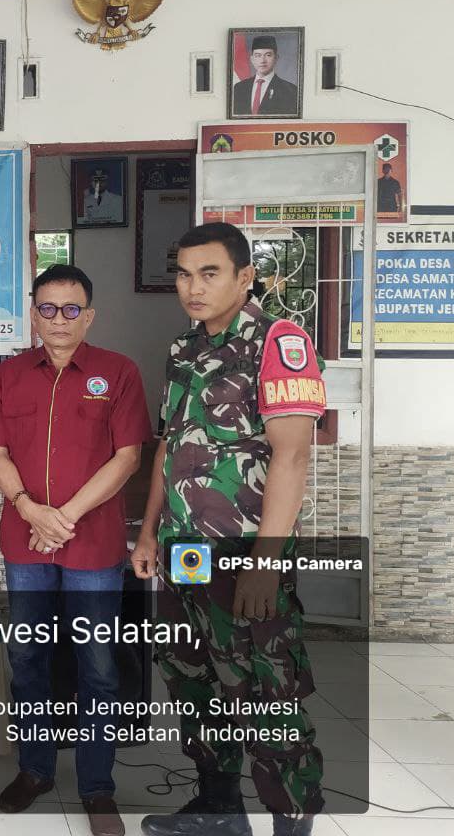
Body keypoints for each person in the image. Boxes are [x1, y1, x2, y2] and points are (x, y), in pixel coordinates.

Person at [131, 223, 326, 836]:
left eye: (209, 273)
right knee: (194, 682)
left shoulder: (277, 342)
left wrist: (266, 563)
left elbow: (292, 457)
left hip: (243, 554)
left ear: (245, 277)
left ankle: (291, 821)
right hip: (184, 554)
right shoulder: (183, 349)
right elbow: (169, 445)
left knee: (266, 694)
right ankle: (219, 810)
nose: (193, 287)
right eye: (184, 274)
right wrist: (148, 531)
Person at [0, 264, 150, 836]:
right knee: (28, 658)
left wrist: (63, 517)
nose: (59, 319)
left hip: (92, 546)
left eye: (71, 309)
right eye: (47, 308)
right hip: (27, 544)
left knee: (97, 666)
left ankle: (97, 787)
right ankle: (35, 770)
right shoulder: (8, 376)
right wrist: (30, 509)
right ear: (34, 314)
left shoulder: (118, 373)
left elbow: (128, 457)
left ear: (88, 316)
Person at [231, 35, 299, 117]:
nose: (262, 60)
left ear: (276, 58)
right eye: (258, 55)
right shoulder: (239, 88)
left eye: (268, 55)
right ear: (252, 59)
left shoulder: (290, 91)